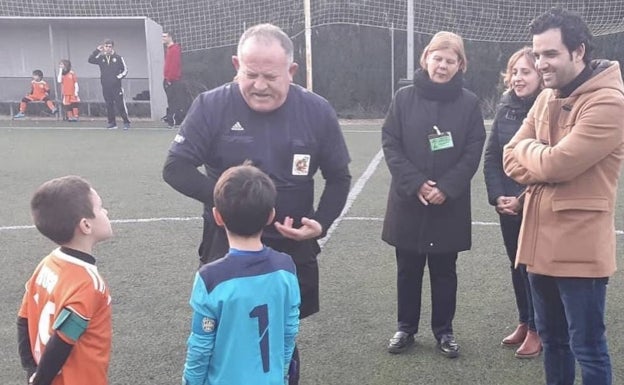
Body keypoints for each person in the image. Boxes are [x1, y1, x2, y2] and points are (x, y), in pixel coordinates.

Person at [163, 23, 351, 385]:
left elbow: (339, 177)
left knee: (282, 335)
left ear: (291, 72)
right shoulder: (211, 105)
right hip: (226, 245)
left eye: (270, 76)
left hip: (291, 248)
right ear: (236, 65)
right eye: (250, 74)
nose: (260, 85)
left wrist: (321, 223)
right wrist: (230, 202)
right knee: (221, 333)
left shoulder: (316, 110)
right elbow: (175, 168)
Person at [503, 8, 624, 385]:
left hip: (580, 250)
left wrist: (536, 154)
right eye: (537, 55)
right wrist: (539, 156)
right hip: (538, 245)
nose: (541, 64)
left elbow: (557, 165)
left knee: (587, 347)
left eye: (550, 54)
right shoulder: (547, 97)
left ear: (579, 51)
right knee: (554, 343)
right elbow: (509, 155)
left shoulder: (610, 102)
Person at [381, 31, 486, 358]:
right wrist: (417, 183)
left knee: (444, 271)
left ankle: (444, 331)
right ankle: (406, 328)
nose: (442, 65)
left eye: (450, 60)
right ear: (425, 58)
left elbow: (473, 149)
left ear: (460, 65)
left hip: (448, 205)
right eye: (437, 58)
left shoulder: (469, 104)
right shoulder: (403, 98)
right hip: (408, 201)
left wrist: (446, 188)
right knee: (407, 268)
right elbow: (391, 143)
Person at [182, 163, 300, 385]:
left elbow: (200, 345)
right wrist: (282, 372)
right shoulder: (286, 268)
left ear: (217, 216)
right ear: (270, 216)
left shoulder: (211, 279)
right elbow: (289, 330)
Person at [17, 175, 113, 385]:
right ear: (86, 225)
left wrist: (31, 370)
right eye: (100, 208)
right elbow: (63, 339)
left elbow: (23, 319)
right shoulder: (89, 284)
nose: (106, 212)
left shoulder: (46, 264)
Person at [483, 47, 542, 359]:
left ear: (540, 75)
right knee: (517, 265)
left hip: (537, 205)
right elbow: (493, 156)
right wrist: (498, 197)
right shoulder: (505, 107)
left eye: (525, 72)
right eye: (514, 72)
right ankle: (525, 320)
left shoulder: (549, 108)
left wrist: (521, 199)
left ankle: (538, 328)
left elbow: (548, 164)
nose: (518, 78)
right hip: (508, 206)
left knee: (536, 268)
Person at [88, 39, 131, 129]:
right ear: (104, 47)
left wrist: (117, 78)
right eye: (106, 46)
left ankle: (126, 122)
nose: (108, 48)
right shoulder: (101, 58)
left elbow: (125, 70)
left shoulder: (118, 58)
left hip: (116, 86)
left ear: (112, 47)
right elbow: (90, 60)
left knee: (120, 104)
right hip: (105, 86)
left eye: (110, 46)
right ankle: (112, 123)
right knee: (109, 104)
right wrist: (97, 51)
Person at [161, 31, 186, 128]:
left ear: (170, 37)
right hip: (169, 79)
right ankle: (171, 118)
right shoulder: (169, 49)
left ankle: (175, 120)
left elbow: (174, 65)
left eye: (164, 36)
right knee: (171, 100)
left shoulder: (175, 49)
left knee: (174, 101)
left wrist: (170, 79)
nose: (163, 38)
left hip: (173, 80)